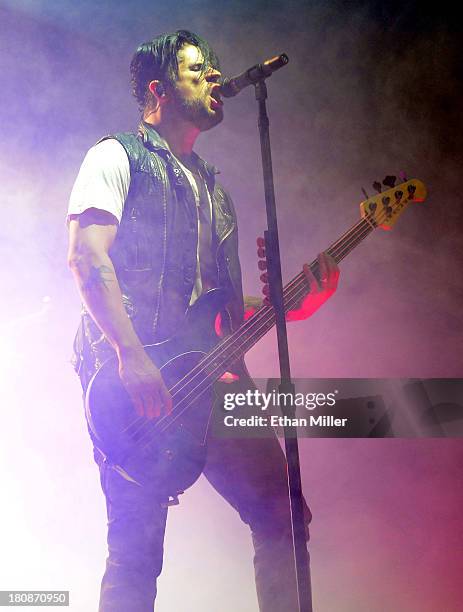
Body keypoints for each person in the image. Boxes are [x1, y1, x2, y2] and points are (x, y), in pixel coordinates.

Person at [67, 30, 339, 612]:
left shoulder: (215, 192)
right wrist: (131, 355)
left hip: (212, 382)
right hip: (131, 386)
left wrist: (300, 302)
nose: (215, 77)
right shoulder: (114, 157)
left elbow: (216, 312)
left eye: (215, 69)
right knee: (136, 558)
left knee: (284, 514)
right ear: (160, 91)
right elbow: (87, 257)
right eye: (199, 71)